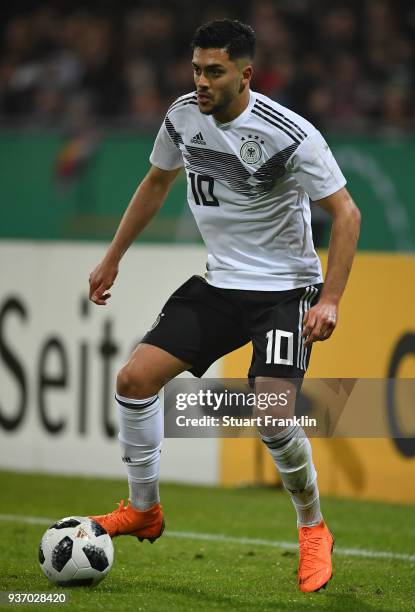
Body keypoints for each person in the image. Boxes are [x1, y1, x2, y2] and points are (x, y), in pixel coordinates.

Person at [89, 19, 361, 593]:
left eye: (214, 72)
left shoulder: (290, 134)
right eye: (195, 69)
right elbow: (156, 183)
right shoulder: (182, 116)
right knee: (134, 380)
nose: (201, 82)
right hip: (220, 285)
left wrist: (331, 298)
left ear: (246, 74)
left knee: (271, 416)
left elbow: (347, 214)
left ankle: (313, 528)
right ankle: (144, 510)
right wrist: (113, 257)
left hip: (284, 289)